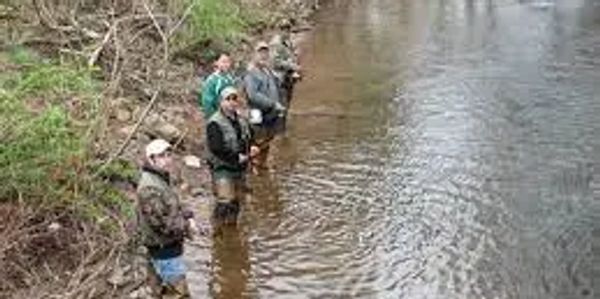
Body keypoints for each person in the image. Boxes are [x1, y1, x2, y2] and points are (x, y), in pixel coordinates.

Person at [136, 139, 196, 298]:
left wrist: (187, 215)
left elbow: (172, 207)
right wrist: (187, 226)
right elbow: (162, 224)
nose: (167, 159)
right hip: (164, 250)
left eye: (169, 155)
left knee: (161, 292)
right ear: (151, 159)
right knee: (180, 294)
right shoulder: (149, 187)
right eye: (161, 156)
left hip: (165, 248)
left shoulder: (160, 179)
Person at [206, 87, 259, 224]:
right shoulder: (214, 122)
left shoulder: (241, 119)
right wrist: (236, 157)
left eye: (234, 99)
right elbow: (216, 148)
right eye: (227, 99)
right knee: (225, 202)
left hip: (240, 168)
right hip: (222, 168)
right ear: (221, 102)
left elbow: (251, 136)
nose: (231, 102)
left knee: (236, 202)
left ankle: (231, 231)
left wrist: (253, 146)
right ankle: (217, 230)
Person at [244, 42, 285, 167]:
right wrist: (273, 103)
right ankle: (253, 166)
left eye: (265, 52)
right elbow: (252, 95)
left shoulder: (267, 70)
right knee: (258, 140)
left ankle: (262, 164)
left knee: (268, 139)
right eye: (260, 52)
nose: (263, 55)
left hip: (270, 111)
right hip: (256, 112)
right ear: (254, 54)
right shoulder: (251, 72)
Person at [270, 19, 302, 107]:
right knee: (282, 104)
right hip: (279, 79)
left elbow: (291, 55)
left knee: (287, 102)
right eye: (284, 30)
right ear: (280, 30)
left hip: (288, 78)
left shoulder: (288, 41)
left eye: (288, 30)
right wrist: (292, 66)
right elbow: (275, 62)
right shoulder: (275, 43)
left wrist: (295, 58)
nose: (287, 33)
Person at [200, 52, 235, 119]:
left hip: (229, 115)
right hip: (217, 116)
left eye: (228, 62)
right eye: (223, 62)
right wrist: (213, 117)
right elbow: (207, 102)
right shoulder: (212, 80)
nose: (226, 64)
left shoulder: (230, 79)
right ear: (216, 63)